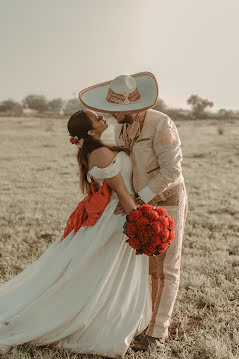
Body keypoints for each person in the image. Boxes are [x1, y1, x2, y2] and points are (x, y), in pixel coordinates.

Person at [0, 109, 152, 358]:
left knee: (100, 271)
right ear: (91, 132)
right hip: (115, 219)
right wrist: (142, 221)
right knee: (99, 271)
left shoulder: (96, 149)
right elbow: (123, 193)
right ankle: (97, 321)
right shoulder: (100, 153)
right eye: (97, 118)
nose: (103, 118)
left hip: (116, 215)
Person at [79, 71, 188, 351]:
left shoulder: (161, 123)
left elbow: (173, 170)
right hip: (141, 203)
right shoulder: (121, 128)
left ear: (132, 107)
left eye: (118, 110)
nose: (112, 115)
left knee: (166, 267)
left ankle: (158, 332)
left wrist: (142, 199)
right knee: (147, 266)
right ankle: (146, 320)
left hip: (168, 200)